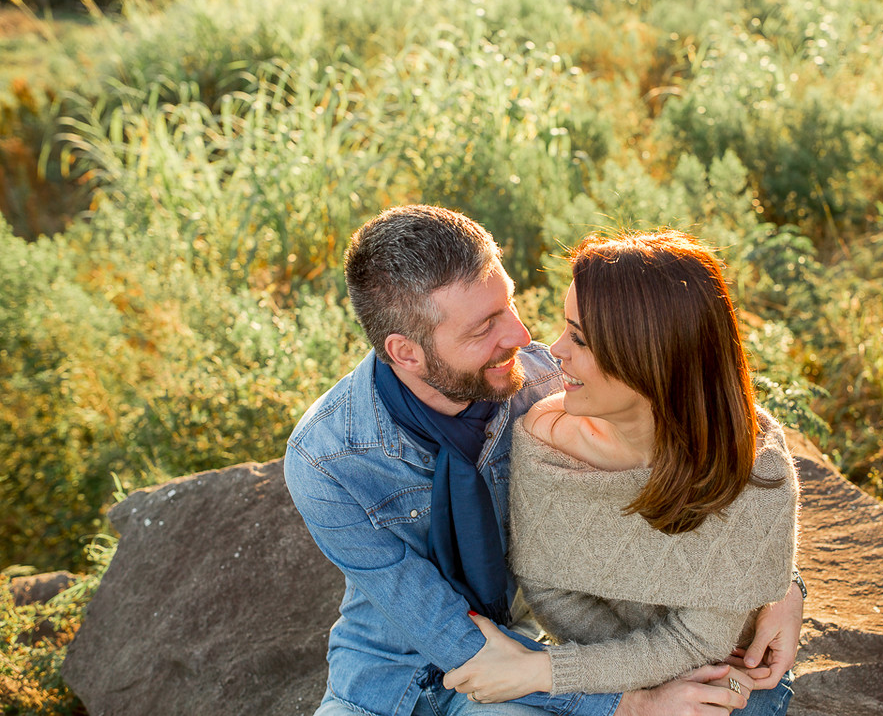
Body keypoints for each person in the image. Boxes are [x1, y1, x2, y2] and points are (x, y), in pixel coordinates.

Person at [284, 205, 806, 716]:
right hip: (382, 679)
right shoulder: (327, 460)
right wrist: (630, 704)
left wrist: (776, 580)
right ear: (406, 352)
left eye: (508, 304)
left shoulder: (547, 384)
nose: (519, 336)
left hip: (523, 662)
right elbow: (444, 631)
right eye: (483, 327)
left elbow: (703, 411)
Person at [441, 231, 800, 716]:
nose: (554, 350)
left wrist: (541, 671)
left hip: (727, 666)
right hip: (607, 667)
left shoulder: (751, 467)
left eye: (581, 339)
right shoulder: (546, 443)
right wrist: (635, 690)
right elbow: (549, 591)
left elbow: (703, 641)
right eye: (566, 328)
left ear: (650, 359)